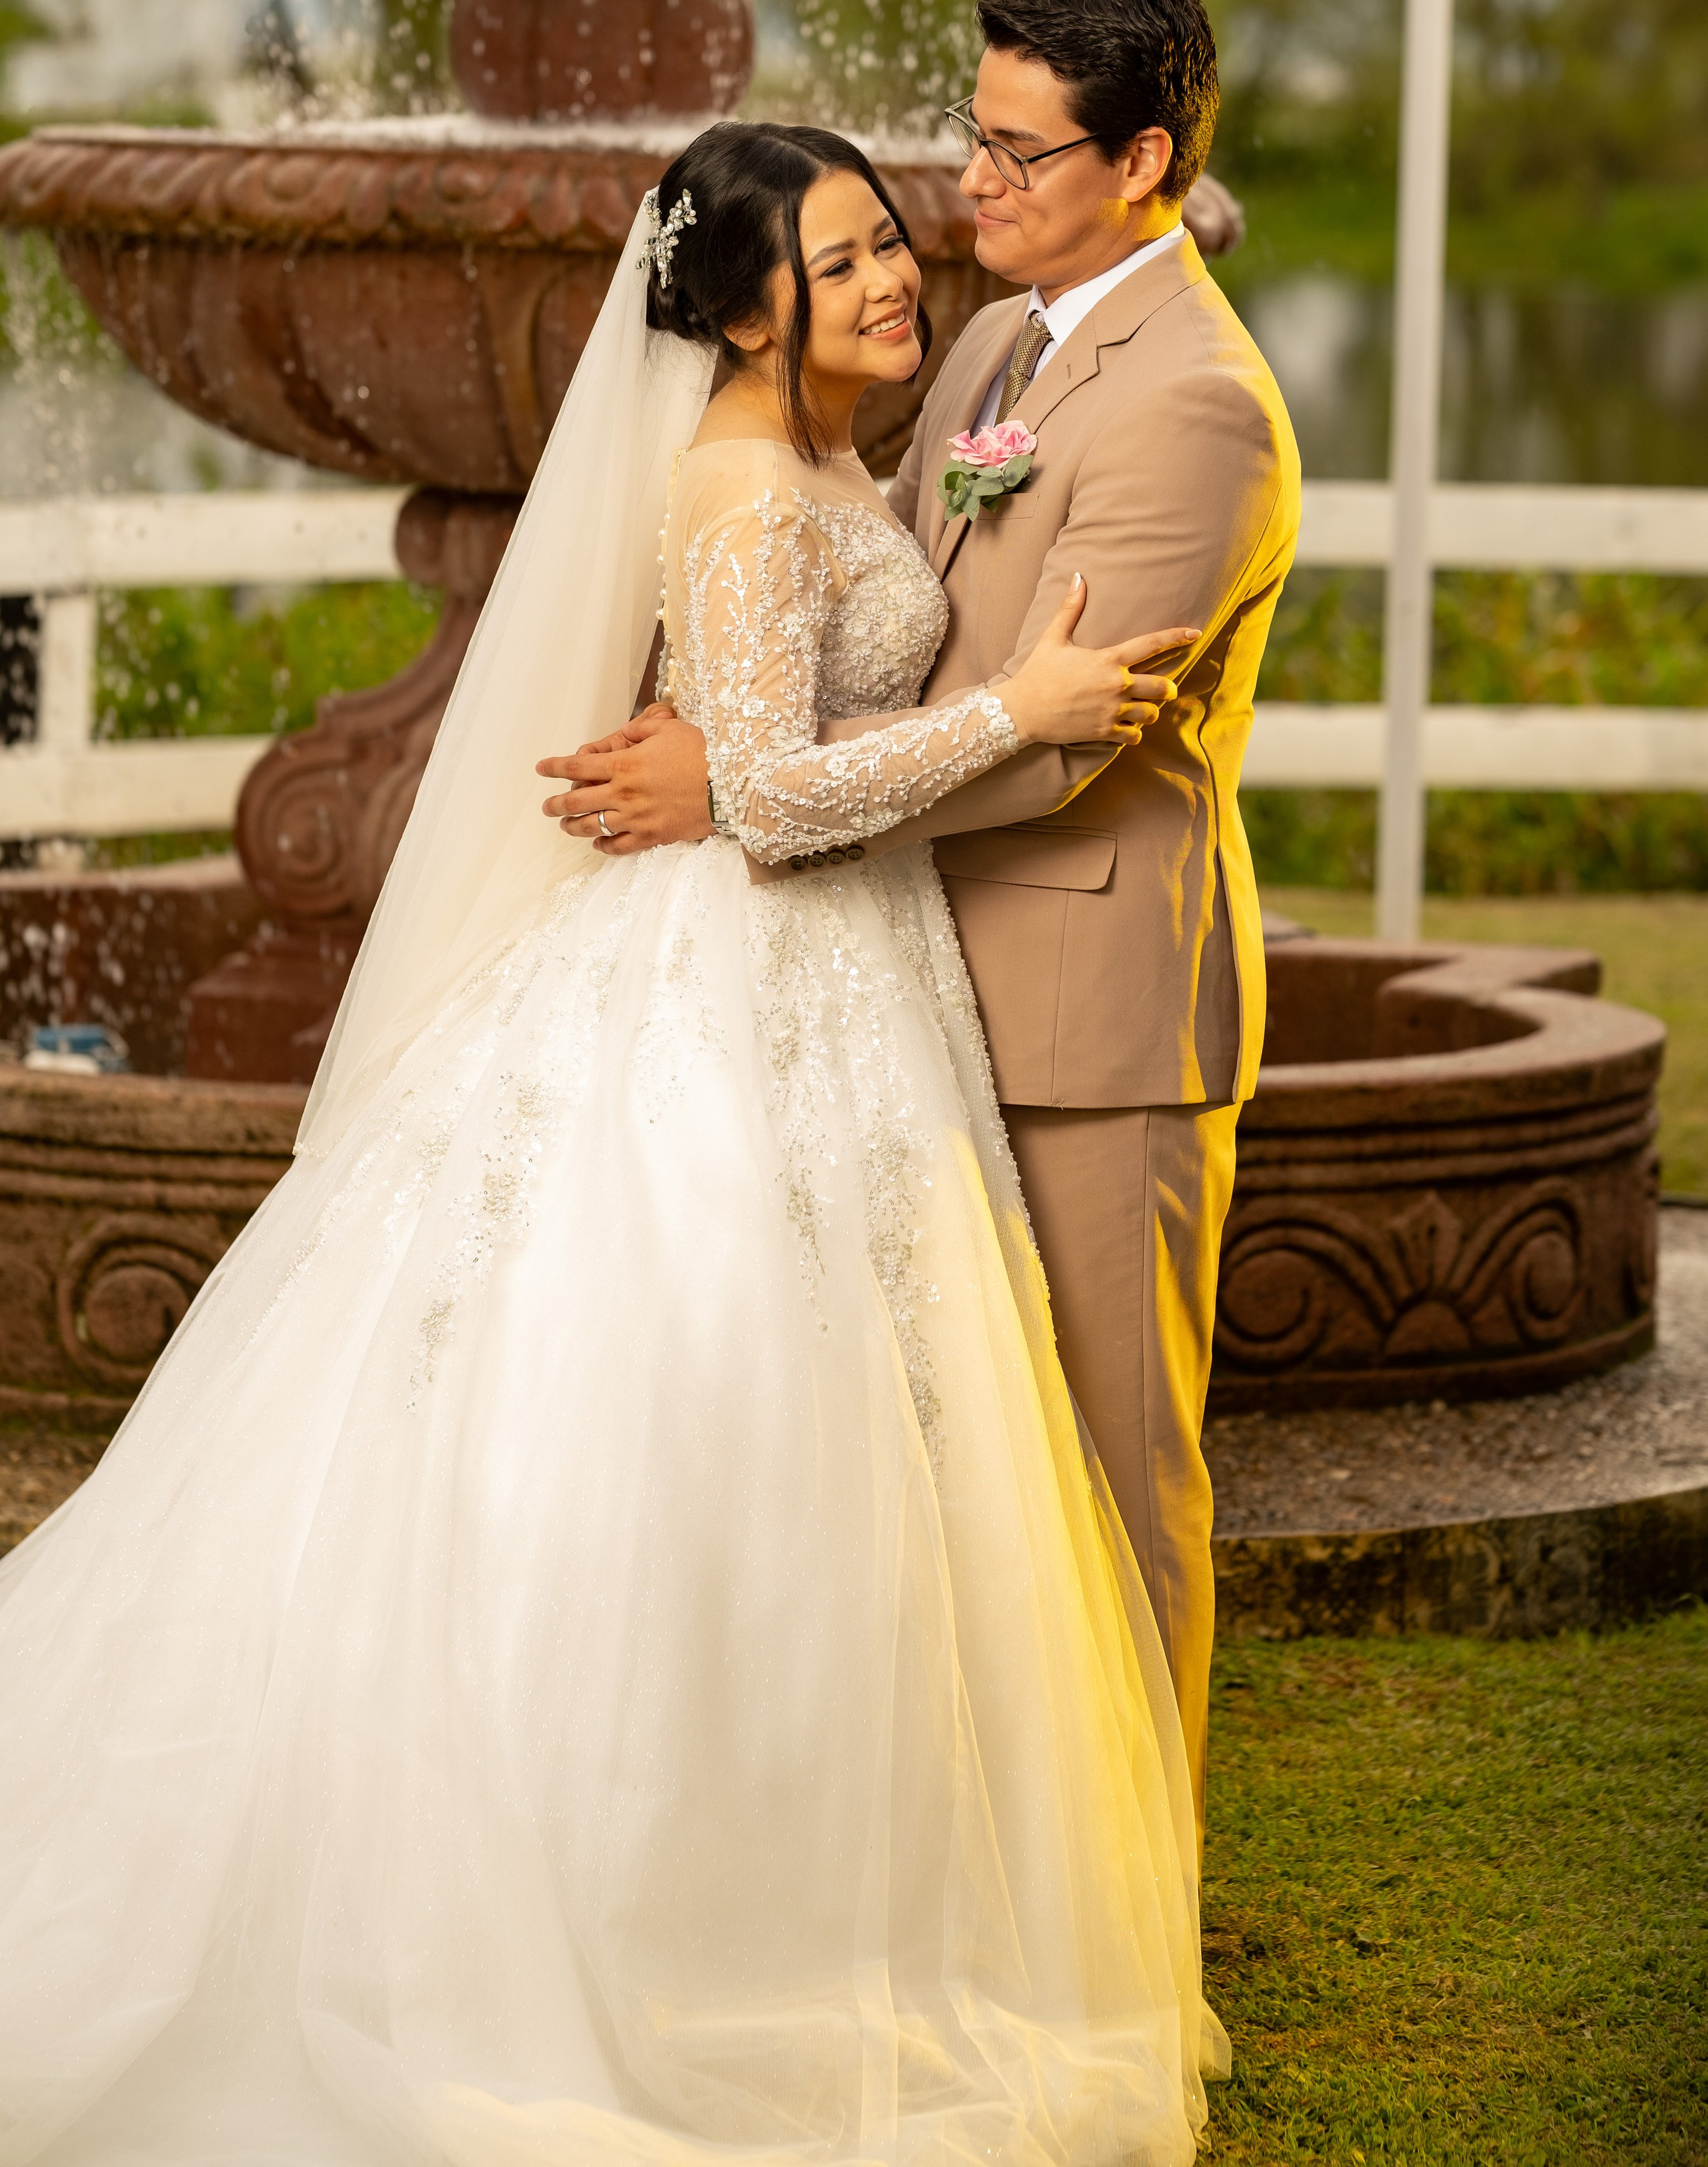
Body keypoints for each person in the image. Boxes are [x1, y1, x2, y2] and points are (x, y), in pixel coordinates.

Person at [0, 120, 1226, 2165]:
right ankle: (643, 1938)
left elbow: (753, 753)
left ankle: (834, 1907)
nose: (890, 283)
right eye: (840, 266)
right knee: (700, 1424)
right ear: (743, 307)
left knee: (834, 1457)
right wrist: (1026, 710)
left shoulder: (846, 455)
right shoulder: (744, 485)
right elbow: (767, 788)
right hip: (731, 992)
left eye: (886, 249)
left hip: (842, 993)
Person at [539, 0, 1304, 1841]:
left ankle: (1140, 1912)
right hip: (905, 988)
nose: (976, 187)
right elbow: (856, 621)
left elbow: (1069, 740)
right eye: (972, 135)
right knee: (951, 1482)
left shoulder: (1197, 404)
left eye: (1021, 152)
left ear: (1142, 163)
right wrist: (740, 732)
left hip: (1092, 1008)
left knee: (1117, 1478)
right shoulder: (989, 351)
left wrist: (738, 790)